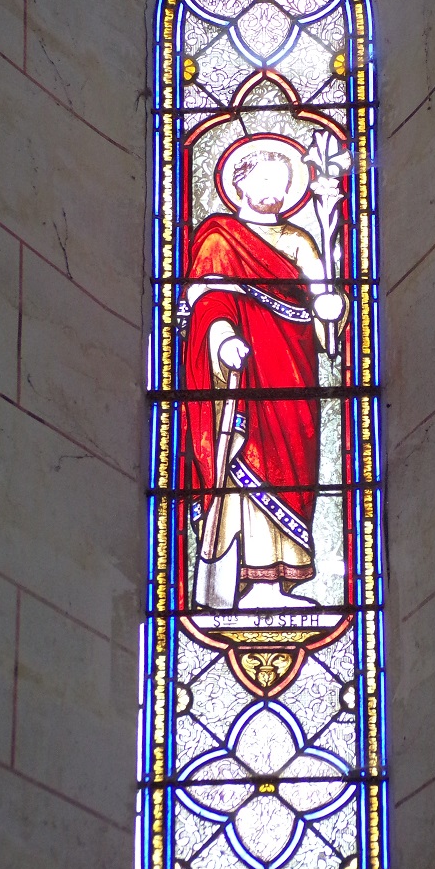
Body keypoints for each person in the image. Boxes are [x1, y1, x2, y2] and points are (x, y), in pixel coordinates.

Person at [181, 143, 345, 609]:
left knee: (291, 470)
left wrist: (331, 309)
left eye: (282, 181)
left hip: (293, 375)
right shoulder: (218, 238)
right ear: (240, 183)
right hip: (244, 370)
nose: (276, 189)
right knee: (242, 464)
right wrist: (222, 339)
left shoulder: (299, 240)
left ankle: (281, 582)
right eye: (266, 179)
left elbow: (322, 302)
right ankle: (249, 584)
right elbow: (208, 301)